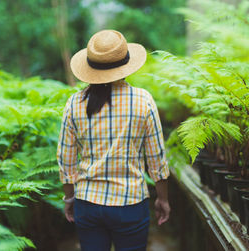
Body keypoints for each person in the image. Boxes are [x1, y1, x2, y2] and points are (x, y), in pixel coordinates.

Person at [57, 29, 170, 251]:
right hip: (130, 204)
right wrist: (163, 199)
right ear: (125, 66)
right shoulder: (143, 101)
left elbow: (66, 160)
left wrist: (69, 199)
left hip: (87, 204)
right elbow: (157, 160)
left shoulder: (74, 103)